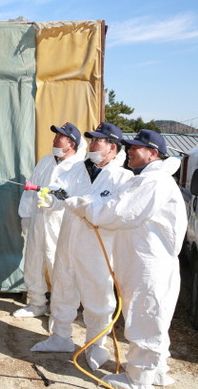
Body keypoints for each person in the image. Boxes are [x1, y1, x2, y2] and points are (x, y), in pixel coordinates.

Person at [64, 130, 187, 389]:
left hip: (149, 265)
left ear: (153, 153)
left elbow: (122, 212)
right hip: (145, 262)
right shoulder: (147, 179)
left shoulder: (154, 182)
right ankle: (156, 372)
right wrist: (90, 209)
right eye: (129, 146)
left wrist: (86, 208)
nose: (129, 150)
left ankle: (139, 379)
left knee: (145, 318)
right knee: (153, 318)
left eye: (137, 148)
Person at [31, 122, 133, 373]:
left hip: (97, 250)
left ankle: (96, 344)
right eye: (91, 140)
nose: (92, 144)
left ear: (112, 147)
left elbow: (119, 214)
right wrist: (50, 199)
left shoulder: (123, 178)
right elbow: (60, 193)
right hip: (68, 243)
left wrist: (88, 207)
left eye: (98, 141)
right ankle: (61, 336)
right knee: (63, 288)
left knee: (98, 297)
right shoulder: (78, 169)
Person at [13, 123, 84, 318]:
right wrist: (25, 215)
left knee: (57, 264)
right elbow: (31, 188)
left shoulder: (79, 167)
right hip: (38, 219)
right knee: (33, 262)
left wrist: (54, 202)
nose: (54, 140)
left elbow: (75, 198)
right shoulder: (45, 161)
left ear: (71, 143)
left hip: (59, 223)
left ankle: (60, 310)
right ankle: (36, 303)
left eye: (59, 137)